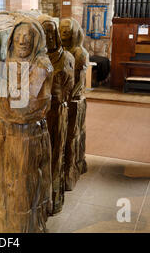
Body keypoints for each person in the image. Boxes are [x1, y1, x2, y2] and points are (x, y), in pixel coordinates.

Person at [0, 16, 54, 233]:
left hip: (28, 136)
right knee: (7, 181)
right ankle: (5, 223)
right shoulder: (7, 63)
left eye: (27, 36)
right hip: (6, 134)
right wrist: (2, 100)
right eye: (17, 36)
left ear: (36, 40)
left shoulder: (42, 65)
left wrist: (1, 98)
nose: (22, 41)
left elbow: (26, 107)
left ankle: (23, 228)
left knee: (24, 185)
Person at [38, 15, 75, 215]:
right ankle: (42, 198)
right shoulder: (38, 61)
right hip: (41, 115)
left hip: (58, 112)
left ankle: (55, 195)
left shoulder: (67, 58)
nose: (50, 36)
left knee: (56, 153)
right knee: (42, 156)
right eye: (45, 33)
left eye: (52, 32)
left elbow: (69, 87)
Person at [59, 18, 90, 191]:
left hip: (73, 98)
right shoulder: (58, 51)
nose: (64, 32)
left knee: (72, 135)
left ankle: (73, 165)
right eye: (62, 29)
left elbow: (78, 80)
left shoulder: (79, 52)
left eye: (68, 29)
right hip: (61, 98)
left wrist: (69, 94)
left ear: (74, 31)